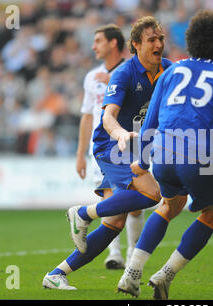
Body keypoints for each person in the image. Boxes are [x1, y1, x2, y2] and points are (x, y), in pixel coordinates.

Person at [117, 9, 213, 299]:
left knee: (169, 205)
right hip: (199, 153)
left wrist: (143, 161)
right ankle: (165, 275)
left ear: (193, 39)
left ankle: (131, 273)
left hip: (162, 154)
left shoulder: (171, 70)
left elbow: (151, 121)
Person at [42, 16, 172, 290]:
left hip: (136, 147)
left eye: (160, 38)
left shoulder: (168, 70)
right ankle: (84, 213)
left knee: (113, 223)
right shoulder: (124, 73)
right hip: (111, 146)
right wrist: (120, 133)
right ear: (135, 45)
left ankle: (57, 274)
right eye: (152, 39)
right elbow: (107, 117)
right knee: (153, 193)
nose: (159, 43)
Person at [74, 24, 144, 270]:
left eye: (98, 41)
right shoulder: (92, 78)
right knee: (110, 198)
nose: (93, 46)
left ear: (113, 43)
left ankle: (134, 251)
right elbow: (87, 116)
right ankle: (114, 253)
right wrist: (80, 153)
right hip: (102, 148)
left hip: (128, 143)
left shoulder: (131, 73)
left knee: (134, 202)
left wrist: (114, 78)